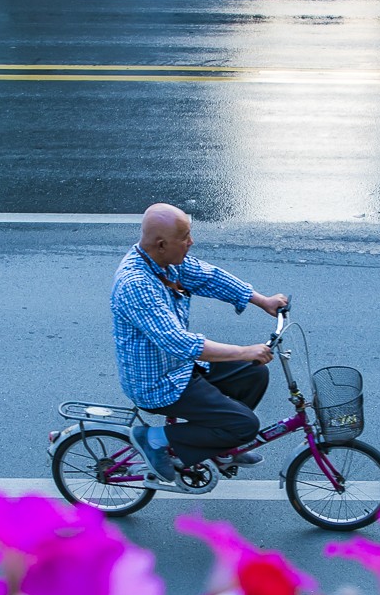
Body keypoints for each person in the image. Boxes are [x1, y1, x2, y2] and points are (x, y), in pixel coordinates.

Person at [112, 204, 289, 481]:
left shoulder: (162, 262)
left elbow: (209, 277)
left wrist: (262, 300)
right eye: (185, 238)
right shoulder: (136, 284)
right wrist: (243, 351)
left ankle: (216, 446)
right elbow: (178, 343)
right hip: (158, 382)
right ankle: (153, 439)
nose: (191, 243)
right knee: (245, 425)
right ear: (161, 244)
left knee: (253, 374)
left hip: (179, 367)